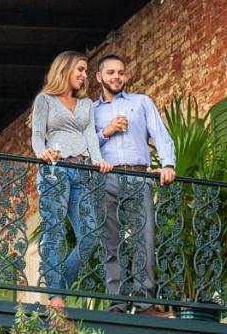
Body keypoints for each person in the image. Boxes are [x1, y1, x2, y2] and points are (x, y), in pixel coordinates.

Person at [92, 54, 176, 315]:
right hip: (106, 179)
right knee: (111, 242)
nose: (117, 77)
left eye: (121, 72)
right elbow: (84, 148)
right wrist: (106, 132)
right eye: (111, 73)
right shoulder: (90, 111)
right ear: (99, 77)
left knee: (144, 238)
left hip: (139, 176)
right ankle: (116, 303)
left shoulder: (141, 102)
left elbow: (161, 136)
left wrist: (168, 164)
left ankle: (144, 303)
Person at [30, 51, 113, 310]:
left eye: (86, 71)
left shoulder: (86, 104)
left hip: (83, 170)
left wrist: (98, 160)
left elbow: (90, 135)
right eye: (79, 69)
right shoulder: (45, 100)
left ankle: (58, 287)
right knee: (53, 230)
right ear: (64, 69)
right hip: (55, 168)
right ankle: (55, 296)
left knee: (91, 235)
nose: (83, 75)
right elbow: (37, 135)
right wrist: (40, 153)